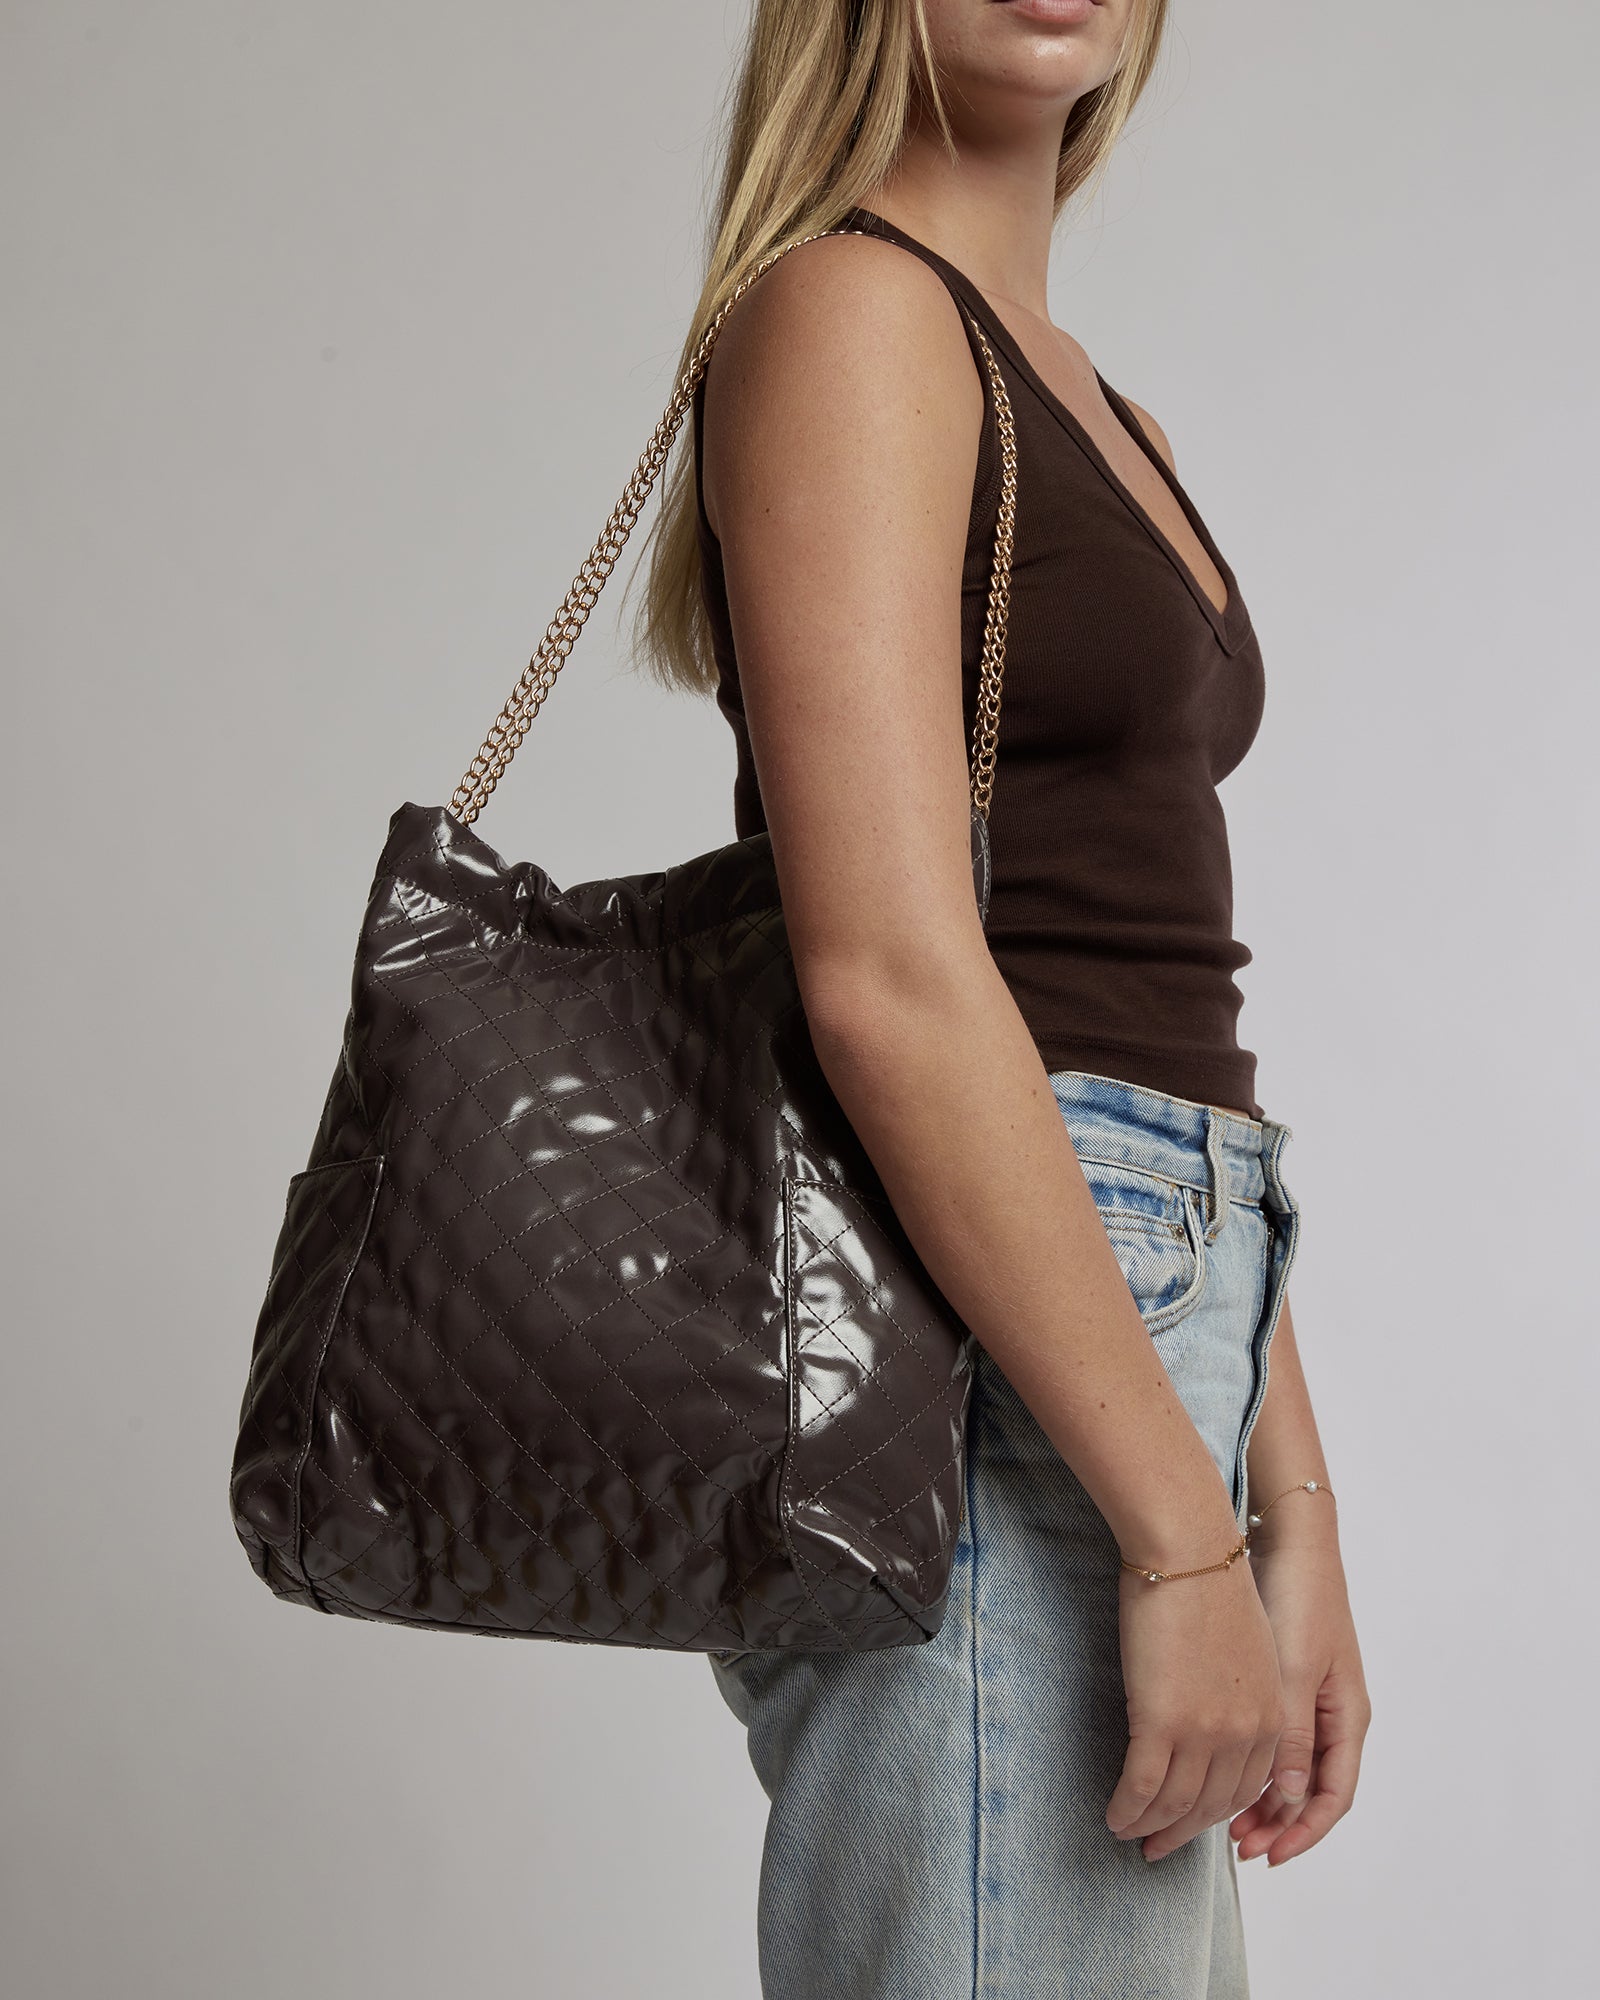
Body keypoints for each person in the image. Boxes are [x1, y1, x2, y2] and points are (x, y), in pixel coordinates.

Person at [634, 2, 1370, 1993]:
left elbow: (1160, 1027)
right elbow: (887, 981)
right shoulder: (852, 316)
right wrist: (1181, 1535)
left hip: (1140, 1320)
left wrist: (1280, 1506)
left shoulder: (1099, 411)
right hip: (982, 1337)